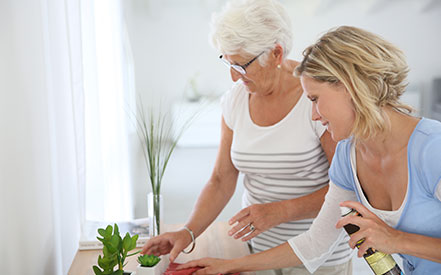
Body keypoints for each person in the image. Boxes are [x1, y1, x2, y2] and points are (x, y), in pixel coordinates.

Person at [176, 26, 441, 275]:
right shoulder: (349, 157)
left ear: (350, 87)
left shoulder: (432, 150)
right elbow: (316, 243)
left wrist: (397, 241)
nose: (314, 115)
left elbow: (395, 242)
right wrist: (229, 266)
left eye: (315, 99)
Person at [141, 1, 354, 274]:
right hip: (257, 251)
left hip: (319, 258)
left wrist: (280, 212)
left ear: (276, 53)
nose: (233, 77)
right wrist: (187, 232)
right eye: (228, 63)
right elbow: (221, 179)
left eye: (241, 65)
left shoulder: (315, 97)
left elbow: (347, 188)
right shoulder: (235, 100)